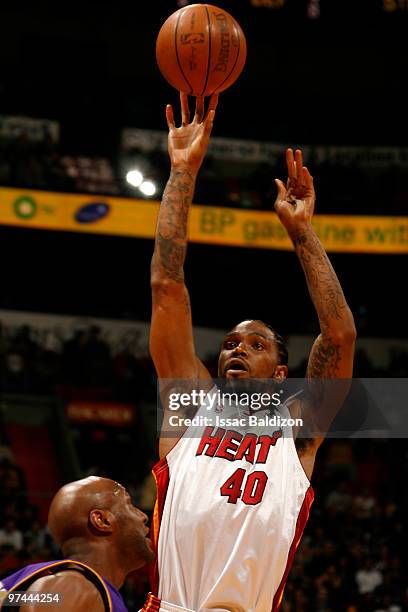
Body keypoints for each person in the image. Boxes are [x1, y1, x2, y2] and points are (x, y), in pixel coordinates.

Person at [144, 94, 356, 612]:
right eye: (231, 342)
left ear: (281, 373)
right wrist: (182, 173)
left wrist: (303, 234)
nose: (237, 348)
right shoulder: (190, 405)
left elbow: (339, 338)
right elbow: (167, 285)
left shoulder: (299, 431)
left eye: (256, 344)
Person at [0, 476, 154, 611]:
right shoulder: (72, 588)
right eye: (130, 505)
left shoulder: (65, 589)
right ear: (102, 521)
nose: (143, 516)